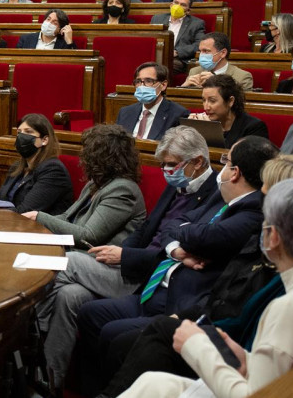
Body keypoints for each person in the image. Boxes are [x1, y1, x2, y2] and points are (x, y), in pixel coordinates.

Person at [117, 178, 293, 398]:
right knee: (154, 384)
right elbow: (283, 370)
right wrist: (246, 359)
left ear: (274, 238)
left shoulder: (291, 307)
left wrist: (196, 346)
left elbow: (254, 395)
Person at [74, 136, 276, 396]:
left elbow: (204, 236)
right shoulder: (226, 200)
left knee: (114, 333)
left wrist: (187, 234)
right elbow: (172, 226)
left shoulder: (250, 210)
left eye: (226, 161)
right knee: (88, 311)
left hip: (181, 301)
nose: (221, 166)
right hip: (155, 288)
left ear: (235, 173)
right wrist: (178, 249)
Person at [39, 126, 217, 392]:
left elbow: (176, 246)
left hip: (148, 277)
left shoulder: (213, 194)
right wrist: (124, 254)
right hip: (129, 263)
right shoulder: (177, 187)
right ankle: (53, 380)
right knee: (71, 296)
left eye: (171, 165)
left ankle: (29, 331)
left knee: (70, 262)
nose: (166, 171)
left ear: (198, 161)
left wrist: (126, 256)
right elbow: (146, 230)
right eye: (163, 165)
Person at [22, 123, 146, 248]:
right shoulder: (95, 183)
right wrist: (37, 221)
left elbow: (89, 237)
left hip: (102, 260)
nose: (82, 156)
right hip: (76, 250)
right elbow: (67, 217)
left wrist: (39, 217)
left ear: (102, 157)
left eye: (87, 151)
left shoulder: (122, 190)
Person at [0, 113, 73, 214]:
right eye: (19, 132)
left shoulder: (53, 170)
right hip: (9, 223)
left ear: (44, 140)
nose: (21, 136)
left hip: (37, 228)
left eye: (28, 132)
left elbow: (26, 212)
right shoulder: (17, 166)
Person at [116, 62, 189, 141]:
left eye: (148, 81)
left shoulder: (177, 114)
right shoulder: (125, 112)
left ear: (163, 85)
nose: (142, 86)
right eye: (138, 81)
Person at [152, 0, 205, 75]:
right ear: (171, 4)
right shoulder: (157, 18)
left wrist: (177, 52)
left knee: (162, 67)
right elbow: (149, 37)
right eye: (176, 3)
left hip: (177, 59)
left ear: (188, 11)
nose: (178, 6)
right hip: (156, 55)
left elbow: (199, 44)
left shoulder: (196, 24)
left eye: (183, 5)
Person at [183, 33, 254, 91]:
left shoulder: (242, 77)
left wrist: (217, 82)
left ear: (223, 53)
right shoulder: (194, 71)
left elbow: (240, 104)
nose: (201, 55)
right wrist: (183, 87)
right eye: (200, 51)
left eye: (206, 51)